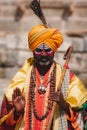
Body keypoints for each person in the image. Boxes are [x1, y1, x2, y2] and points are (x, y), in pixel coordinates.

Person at [0, 24, 87, 130]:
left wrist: (63, 104)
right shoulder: (21, 79)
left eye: (48, 50)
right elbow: (4, 124)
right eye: (39, 50)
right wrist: (17, 112)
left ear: (54, 51)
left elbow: (83, 119)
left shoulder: (68, 79)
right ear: (32, 51)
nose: (44, 54)